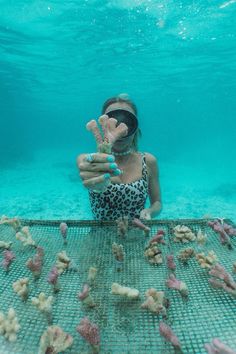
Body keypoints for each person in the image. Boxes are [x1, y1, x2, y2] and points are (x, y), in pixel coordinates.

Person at [77, 95, 162, 220]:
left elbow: (157, 203)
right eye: (113, 121)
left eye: (127, 122)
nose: (120, 130)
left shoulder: (148, 161)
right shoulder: (89, 159)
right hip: (99, 237)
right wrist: (91, 174)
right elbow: (84, 165)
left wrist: (149, 211)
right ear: (103, 125)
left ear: (135, 127)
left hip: (139, 234)